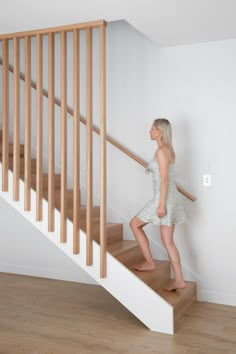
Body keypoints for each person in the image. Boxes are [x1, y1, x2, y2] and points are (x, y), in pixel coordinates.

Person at [129, 118, 187, 291]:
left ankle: (149, 262)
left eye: (152, 128)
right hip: (169, 196)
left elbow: (164, 178)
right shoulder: (166, 150)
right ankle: (179, 280)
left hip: (163, 199)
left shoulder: (162, 151)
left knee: (134, 225)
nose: (150, 131)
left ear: (160, 132)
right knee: (168, 241)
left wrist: (161, 205)